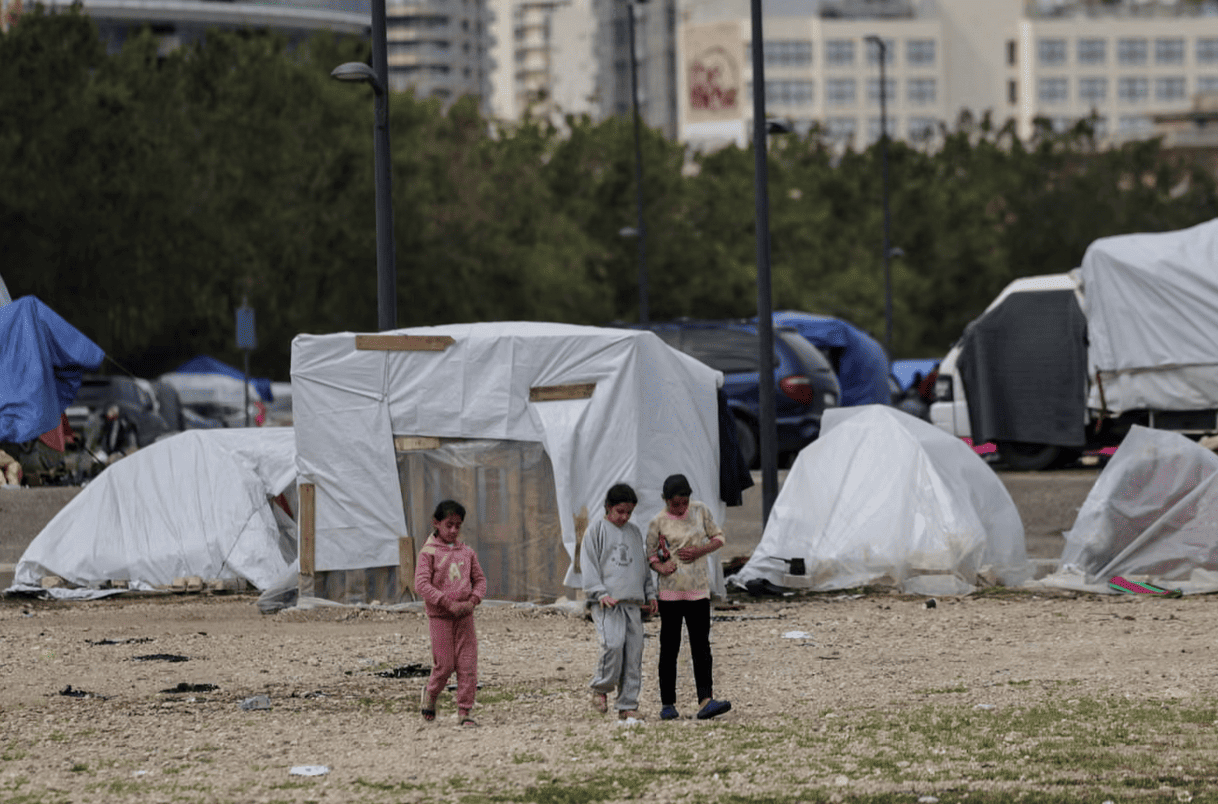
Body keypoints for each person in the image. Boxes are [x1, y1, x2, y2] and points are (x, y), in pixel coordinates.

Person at [646, 473, 732, 721]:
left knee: (701, 646)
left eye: (684, 502)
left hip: (698, 590)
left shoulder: (700, 512)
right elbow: (651, 554)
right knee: (669, 648)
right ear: (666, 501)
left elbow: (719, 537)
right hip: (670, 593)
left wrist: (700, 550)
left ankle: (706, 699)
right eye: (676, 504)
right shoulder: (658, 522)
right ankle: (668, 702)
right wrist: (661, 568)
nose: (681, 507)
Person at [580, 483, 657, 721]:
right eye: (619, 511)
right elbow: (589, 563)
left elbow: (642, 567)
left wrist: (650, 594)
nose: (624, 517)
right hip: (607, 604)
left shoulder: (634, 532)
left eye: (629, 512)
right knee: (612, 645)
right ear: (608, 507)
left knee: (634, 654)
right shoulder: (596, 530)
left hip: (632, 604)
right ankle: (601, 689)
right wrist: (599, 593)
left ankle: (628, 704)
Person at [414, 499, 486, 726]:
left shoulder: (467, 553)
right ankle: (431, 695)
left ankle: (464, 711)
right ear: (436, 523)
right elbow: (422, 585)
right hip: (441, 618)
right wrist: (446, 603)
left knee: (467, 664)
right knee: (444, 664)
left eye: (458, 526)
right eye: (449, 525)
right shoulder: (428, 553)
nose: (454, 530)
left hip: (464, 617)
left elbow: (480, 580)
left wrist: (473, 600)